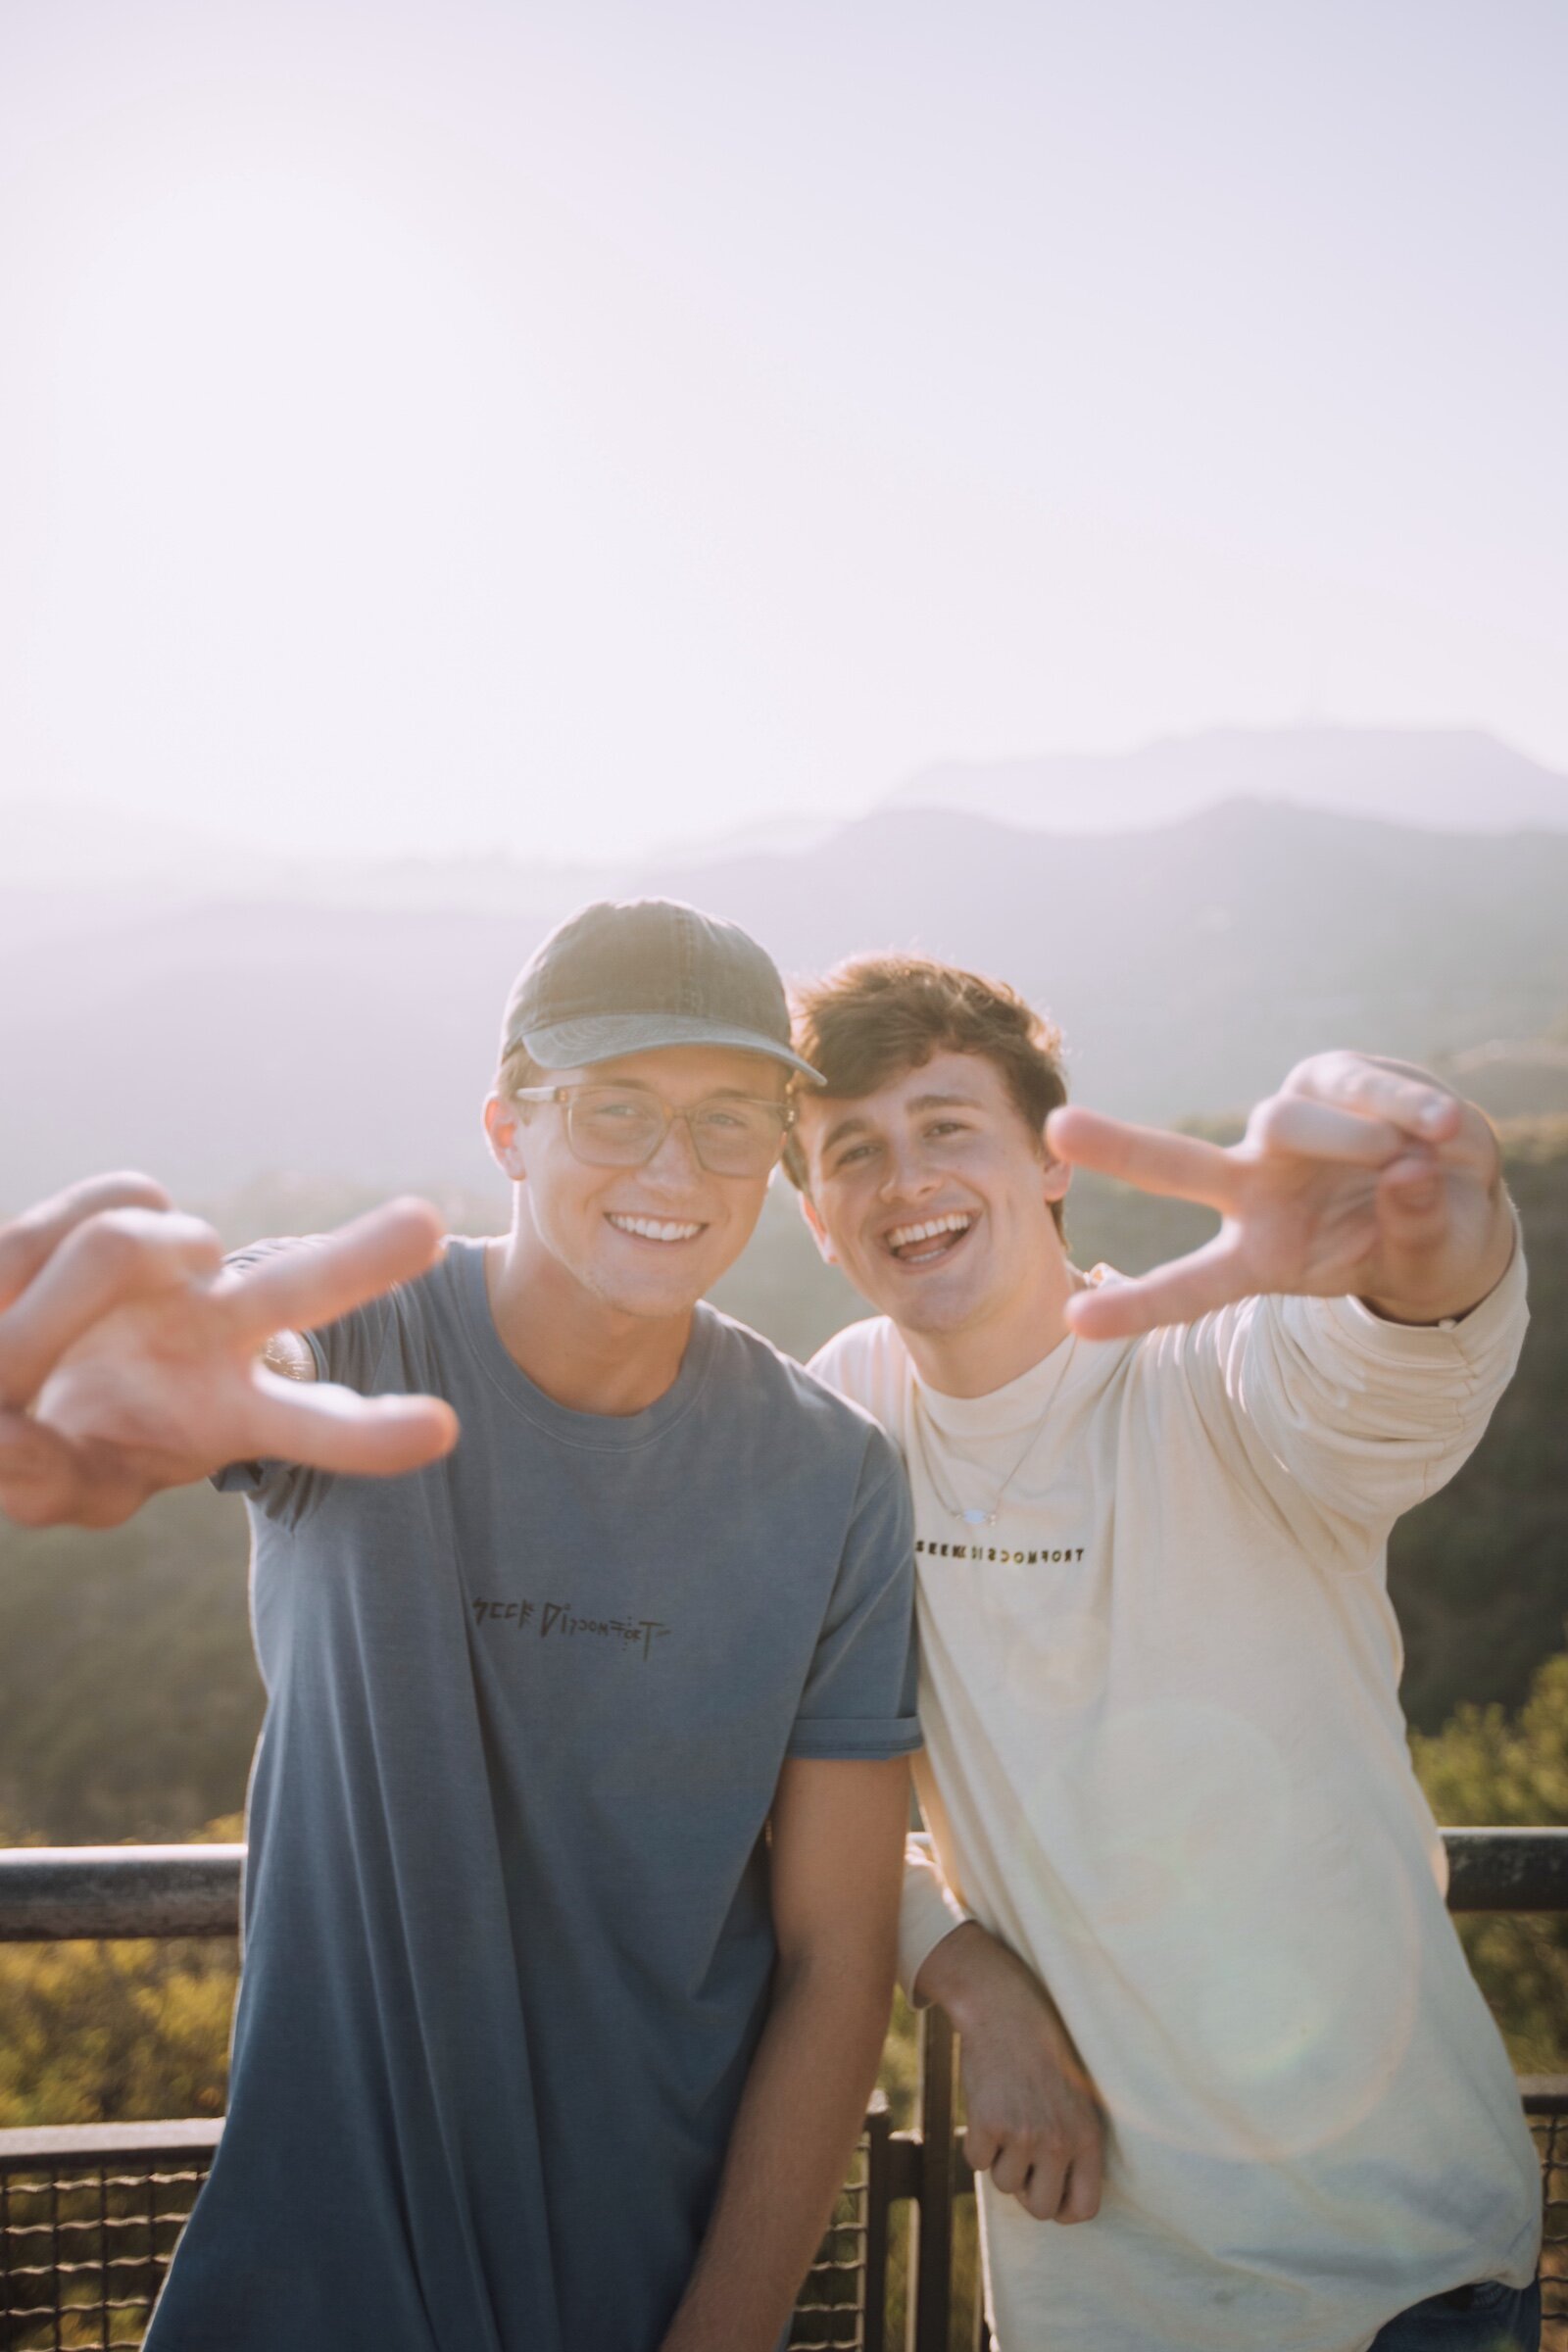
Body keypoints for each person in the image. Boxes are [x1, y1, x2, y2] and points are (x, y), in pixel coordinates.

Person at [3, 900, 920, 2352]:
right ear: (509, 1126)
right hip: (308, 2291)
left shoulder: (834, 1477)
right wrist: (126, 1373)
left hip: (658, 2289)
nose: (674, 1170)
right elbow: (253, 1353)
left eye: (732, 1121)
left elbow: (834, 1952)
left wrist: (726, 2332)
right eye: (615, 1110)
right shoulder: (363, 1339)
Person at [786, 953, 1542, 2352]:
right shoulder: (843, 1424)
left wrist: (1432, 1238)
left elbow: (1396, 1370)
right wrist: (964, 1971)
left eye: (949, 1127)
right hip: (1088, 2298)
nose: (906, 1180)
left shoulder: (1217, 1371)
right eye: (853, 1152)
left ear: (1050, 1163)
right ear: (818, 1220)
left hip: (1392, 2280)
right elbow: (790, 1789)